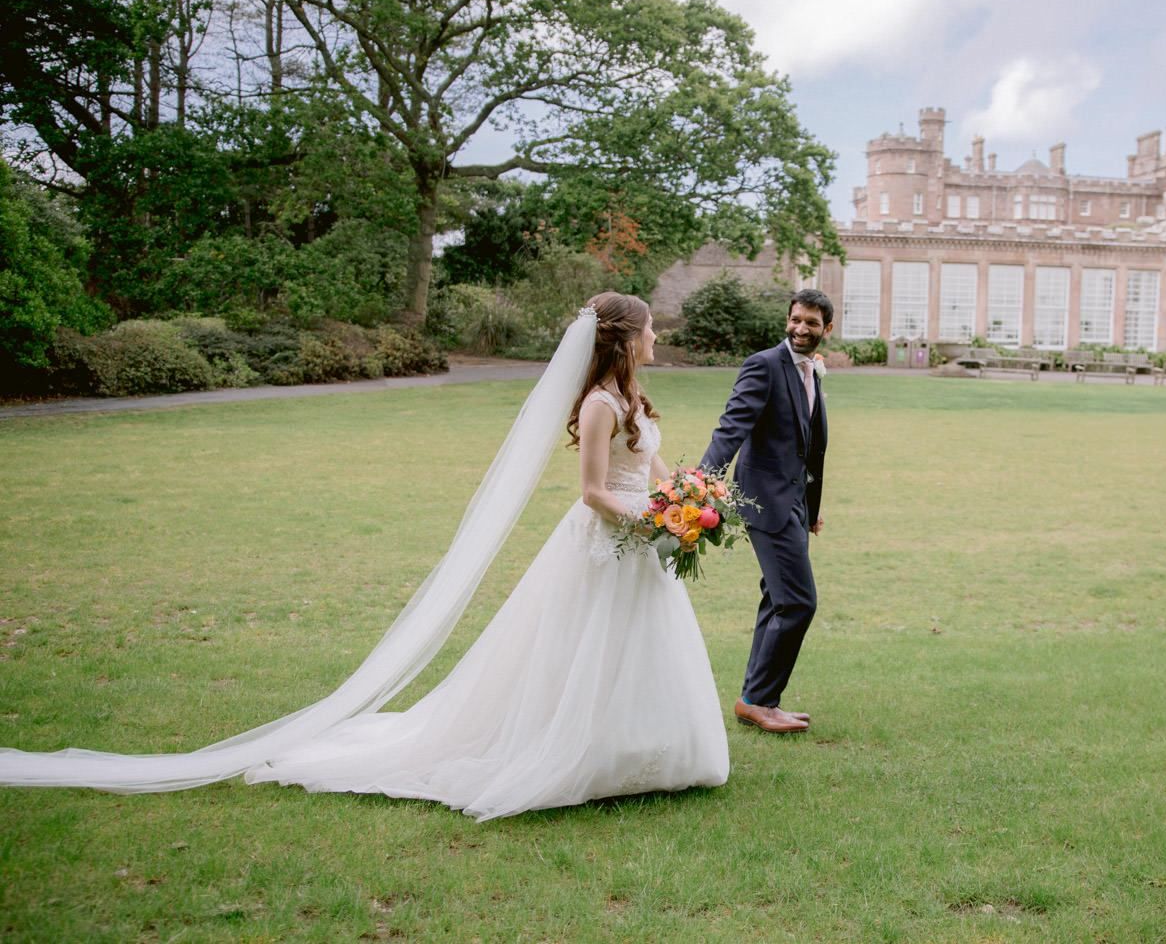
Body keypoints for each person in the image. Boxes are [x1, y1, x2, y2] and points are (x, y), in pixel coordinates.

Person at [0, 293, 729, 820]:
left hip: (643, 542)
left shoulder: (635, 395)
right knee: (586, 648)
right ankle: (579, 754)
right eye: (650, 329)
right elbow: (594, 492)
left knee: (638, 647)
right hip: (607, 542)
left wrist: (687, 500)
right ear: (624, 338)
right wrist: (651, 518)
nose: (656, 336)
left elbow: (654, 471)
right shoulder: (599, 403)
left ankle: (642, 751)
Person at [701, 289, 833, 734]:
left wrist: (811, 508)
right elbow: (730, 428)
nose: (800, 328)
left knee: (778, 599)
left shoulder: (811, 370)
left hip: (793, 504)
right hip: (764, 503)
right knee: (798, 603)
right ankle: (759, 701)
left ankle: (756, 700)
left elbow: (810, 448)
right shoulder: (764, 365)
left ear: (827, 329)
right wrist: (701, 485)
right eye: (796, 319)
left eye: (811, 322)